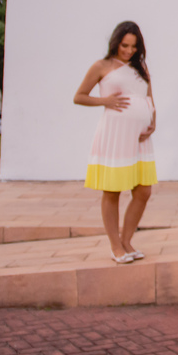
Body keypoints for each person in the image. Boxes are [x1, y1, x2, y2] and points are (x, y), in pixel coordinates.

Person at [74, 20, 157, 263]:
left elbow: (149, 97)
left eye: (133, 46)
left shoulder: (140, 67)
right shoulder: (101, 66)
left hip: (141, 138)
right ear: (116, 42)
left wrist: (153, 123)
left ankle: (127, 240)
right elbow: (78, 97)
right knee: (113, 190)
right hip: (115, 134)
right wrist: (105, 101)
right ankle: (115, 246)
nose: (129, 51)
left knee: (143, 191)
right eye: (125, 45)